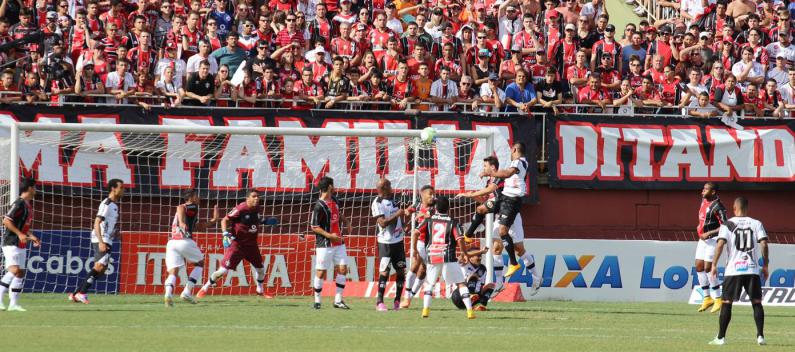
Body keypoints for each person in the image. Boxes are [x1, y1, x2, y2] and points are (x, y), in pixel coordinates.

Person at [709, 197, 769, 346]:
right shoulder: (756, 223)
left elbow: (720, 245)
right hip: (752, 269)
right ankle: (760, 336)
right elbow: (764, 243)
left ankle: (721, 338)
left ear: (734, 208)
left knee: (727, 303)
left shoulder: (727, 224)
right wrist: (765, 265)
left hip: (733, 270)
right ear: (747, 208)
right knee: (757, 302)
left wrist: (714, 264)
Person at [479, 143, 537, 282]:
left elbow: (505, 175)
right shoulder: (514, 167)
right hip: (502, 209)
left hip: (511, 207)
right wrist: (472, 195)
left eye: (486, 166)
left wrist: (489, 173)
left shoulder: (515, 164)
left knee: (519, 249)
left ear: (515, 149)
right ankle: (499, 283)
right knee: (496, 247)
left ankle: (535, 276)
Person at [197, 190, 270, 298]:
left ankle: (260, 290)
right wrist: (225, 234)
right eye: (254, 196)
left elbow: (256, 218)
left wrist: (265, 221)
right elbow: (224, 220)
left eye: (258, 196)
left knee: (260, 269)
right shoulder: (240, 208)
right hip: (238, 245)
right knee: (222, 271)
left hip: (251, 245)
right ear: (247, 198)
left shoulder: (257, 208)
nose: (257, 198)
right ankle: (204, 288)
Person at [414, 196, 474, 320]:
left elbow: (415, 232)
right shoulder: (453, 222)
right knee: (461, 283)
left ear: (436, 207)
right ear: (449, 208)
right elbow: (460, 239)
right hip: (448, 256)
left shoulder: (429, 220)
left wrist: (414, 249)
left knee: (430, 283)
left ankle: (425, 310)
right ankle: (470, 311)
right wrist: (464, 253)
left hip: (432, 255)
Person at [69, 179, 125, 304]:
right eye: (121, 187)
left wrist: (115, 232)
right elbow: (97, 222)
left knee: (101, 268)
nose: (123, 190)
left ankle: (75, 294)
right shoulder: (107, 203)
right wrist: (101, 241)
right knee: (100, 266)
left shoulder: (114, 205)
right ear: (113, 189)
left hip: (107, 237)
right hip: (102, 238)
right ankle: (82, 293)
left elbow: (107, 223)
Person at [164, 190, 220, 307]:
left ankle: (168, 294)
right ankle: (187, 292)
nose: (199, 198)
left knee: (173, 271)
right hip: (184, 241)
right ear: (191, 198)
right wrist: (181, 222)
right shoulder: (192, 206)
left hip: (172, 243)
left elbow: (199, 226)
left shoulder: (191, 213)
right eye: (197, 196)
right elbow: (180, 207)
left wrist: (214, 220)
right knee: (200, 263)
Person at [310, 177, 351, 310]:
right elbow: (314, 226)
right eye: (333, 185)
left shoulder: (335, 199)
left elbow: (338, 213)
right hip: (325, 244)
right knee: (321, 272)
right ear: (329, 187)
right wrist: (329, 236)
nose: (334, 187)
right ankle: (317, 301)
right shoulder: (319, 206)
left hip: (339, 242)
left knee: (343, 269)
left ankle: (338, 300)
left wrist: (346, 221)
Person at [0, 178, 40, 312]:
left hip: (20, 243)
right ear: (29, 188)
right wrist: (19, 234)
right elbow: (6, 220)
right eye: (34, 187)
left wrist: (31, 235)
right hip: (11, 242)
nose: (36, 190)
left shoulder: (28, 205)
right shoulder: (19, 203)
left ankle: (13, 304)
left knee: (20, 273)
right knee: (14, 270)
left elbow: (22, 225)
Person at [371, 179, 408, 312]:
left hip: (398, 241)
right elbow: (382, 223)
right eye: (389, 185)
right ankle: (379, 302)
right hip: (385, 243)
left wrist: (403, 225)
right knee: (384, 271)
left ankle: (397, 300)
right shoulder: (377, 203)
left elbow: (397, 217)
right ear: (384, 187)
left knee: (401, 271)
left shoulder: (394, 200)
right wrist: (398, 213)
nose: (392, 187)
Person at [693, 182, 728, 314]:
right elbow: (703, 219)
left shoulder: (718, 206)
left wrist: (710, 233)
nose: (702, 191)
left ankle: (718, 298)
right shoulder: (704, 201)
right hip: (703, 239)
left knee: (708, 267)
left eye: (706, 189)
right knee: (699, 266)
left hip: (713, 239)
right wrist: (700, 227)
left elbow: (725, 225)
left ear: (713, 192)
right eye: (703, 189)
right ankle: (707, 298)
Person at [400, 185, 435, 309]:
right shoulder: (418, 205)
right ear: (422, 194)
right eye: (430, 194)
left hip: (432, 243)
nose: (433, 196)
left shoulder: (434, 207)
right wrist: (407, 212)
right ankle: (406, 297)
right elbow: (407, 211)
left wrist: (421, 214)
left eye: (434, 194)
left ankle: (410, 297)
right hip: (420, 241)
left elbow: (428, 215)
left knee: (423, 270)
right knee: (415, 266)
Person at [451, 246, 495, 311]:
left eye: (480, 256)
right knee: (473, 276)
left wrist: (483, 292)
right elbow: (462, 255)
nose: (480, 258)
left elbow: (481, 287)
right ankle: (471, 295)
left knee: (491, 286)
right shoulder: (464, 263)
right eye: (478, 256)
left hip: (475, 296)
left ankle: (480, 304)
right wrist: (481, 251)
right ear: (470, 257)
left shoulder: (483, 269)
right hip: (459, 295)